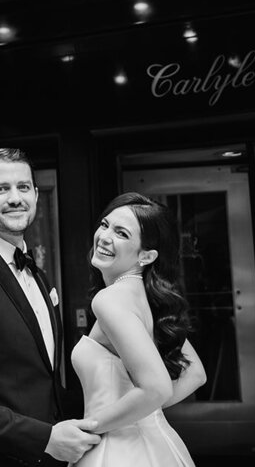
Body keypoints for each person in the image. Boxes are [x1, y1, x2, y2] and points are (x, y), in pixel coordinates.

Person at [0, 148, 102, 466]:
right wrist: (46, 439)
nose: (15, 198)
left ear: (36, 195)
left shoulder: (37, 274)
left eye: (23, 187)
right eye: (0, 189)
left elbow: (40, 380)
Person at [70, 192, 207, 466]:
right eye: (105, 225)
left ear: (146, 255)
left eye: (121, 233)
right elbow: (195, 374)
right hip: (156, 444)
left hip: (117, 451)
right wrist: (144, 413)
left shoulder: (109, 300)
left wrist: (90, 426)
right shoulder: (147, 299)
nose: (105, 237)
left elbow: (156, 388)